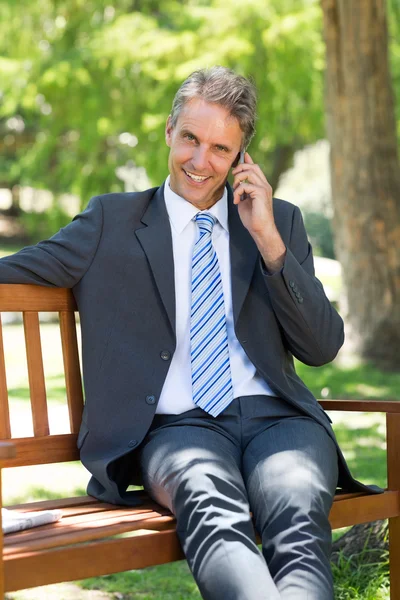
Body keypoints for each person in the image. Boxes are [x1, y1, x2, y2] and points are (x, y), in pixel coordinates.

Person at [0, 66, 378, 599]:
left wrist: (267, 239)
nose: (201, 162)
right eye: (190, 139)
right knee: (212, 507)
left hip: (280, 421)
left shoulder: (279, 222)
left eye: (221, 149)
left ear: (243, 157)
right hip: (178, 430)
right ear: (169, 131)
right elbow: (18, 267)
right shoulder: (112, 221)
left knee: (295, 510)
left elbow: (322, 346)